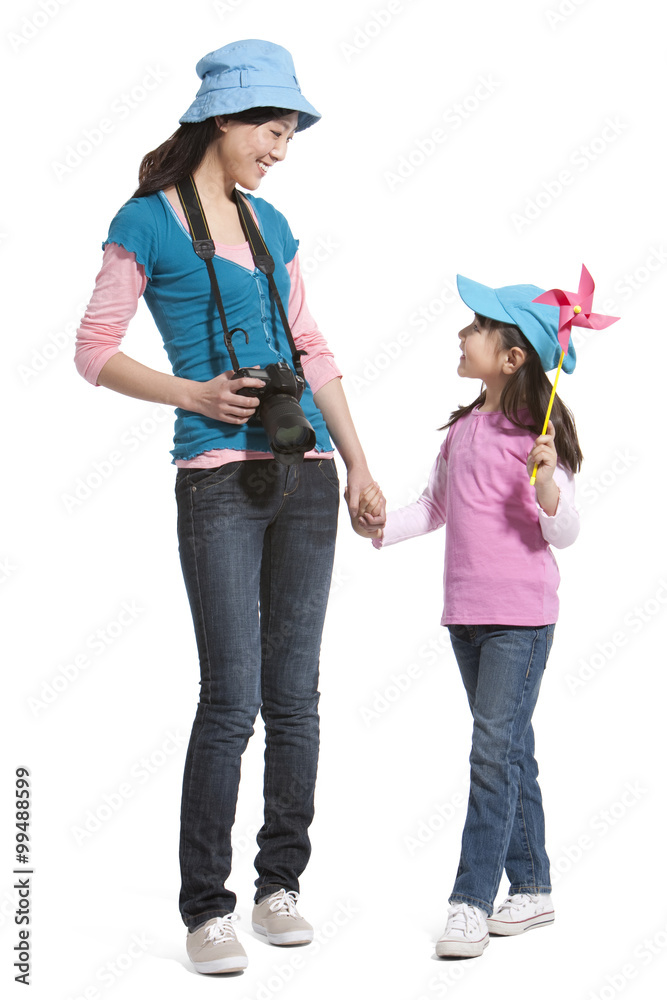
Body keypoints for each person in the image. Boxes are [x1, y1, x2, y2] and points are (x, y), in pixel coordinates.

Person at [75, 39, 385, 975]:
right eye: (270, 127)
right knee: (231, 699)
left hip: (306, 476)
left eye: (289, 132)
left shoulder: (272, 226)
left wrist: (359, 466)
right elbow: (92, 349)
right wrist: (193, 394)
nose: (280, 147)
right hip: (216, 478)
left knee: (297, 698)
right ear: (224, 118)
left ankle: (279, 884)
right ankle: (206, 910)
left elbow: (312, 344)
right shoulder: (146, 222)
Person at [357, 274, 581, 958]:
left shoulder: (534, 439)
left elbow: (564, 530)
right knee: (509, 749)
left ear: (512, 357)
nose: (461, 334)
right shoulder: (461, 431)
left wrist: (546, 482)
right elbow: (434, 508)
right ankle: (534, 886)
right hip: (465, 616)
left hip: (519, 618)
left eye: (476, 326)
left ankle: (469, 900)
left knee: (490, 753)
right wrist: (377, 525)